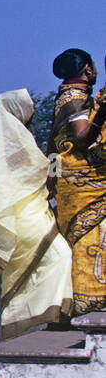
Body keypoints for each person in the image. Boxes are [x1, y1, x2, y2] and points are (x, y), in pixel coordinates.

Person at [0, 89, 74, 338]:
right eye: (29, 107)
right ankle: (46, 315)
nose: (33, 112)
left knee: (35, 268)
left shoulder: (9, 137)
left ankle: (37, 317)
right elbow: (39, 169)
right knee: (60, 256)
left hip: (24, 214)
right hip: (27, 215)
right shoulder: (15, 137)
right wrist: (61, 161)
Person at [51, 47, 106, 315]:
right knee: (91, 237)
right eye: (94, 66)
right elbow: (83, 138)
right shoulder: (73, 99)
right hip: (84, 187)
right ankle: (88, 300)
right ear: (87, 69)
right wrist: (104, 110)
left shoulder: (79, 97)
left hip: (91, 182)